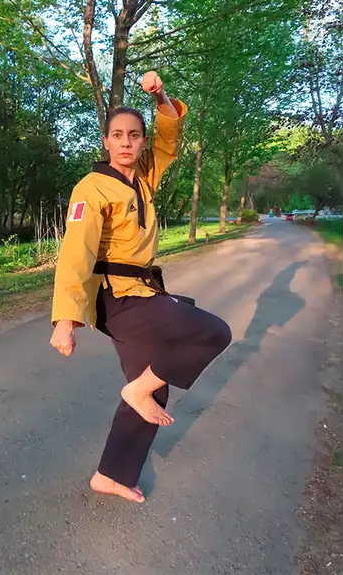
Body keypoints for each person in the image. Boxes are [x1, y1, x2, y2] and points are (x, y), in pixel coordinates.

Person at [48, 71, 232, 503]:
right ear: (106, 142)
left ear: (142, 142)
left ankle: (111, 474)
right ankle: (135, 391)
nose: (126, 141)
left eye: (135, 135)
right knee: (212, 332)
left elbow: (171, 138)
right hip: (119, 300)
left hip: (145, 293)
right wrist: (65, 321)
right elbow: (76, 253)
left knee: (154, 385)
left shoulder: (143, 177)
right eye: (117, 135)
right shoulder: (91, 189)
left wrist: (161, 95)